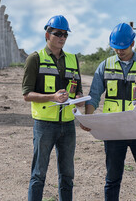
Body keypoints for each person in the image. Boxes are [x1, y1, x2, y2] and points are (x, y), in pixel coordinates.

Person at [81, 23, 136, 201]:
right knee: (112, 180)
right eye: (115, 48)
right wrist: (88, 118)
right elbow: (94, 95)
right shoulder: (105, 65)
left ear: (133, 43)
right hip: (113, 132)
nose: (119, 52)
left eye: (123, 48)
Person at [22, 15, 83, 201]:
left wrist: (79, 99)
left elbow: (77, 91)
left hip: (67, 125)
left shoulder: (73, 59)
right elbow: (27, 95)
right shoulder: (35, 59)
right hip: (44, 125)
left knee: (67, 176)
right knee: (38, 174)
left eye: (65, 34)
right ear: (47, 35)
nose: (62, 37)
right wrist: (53, 97)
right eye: (58, 34)